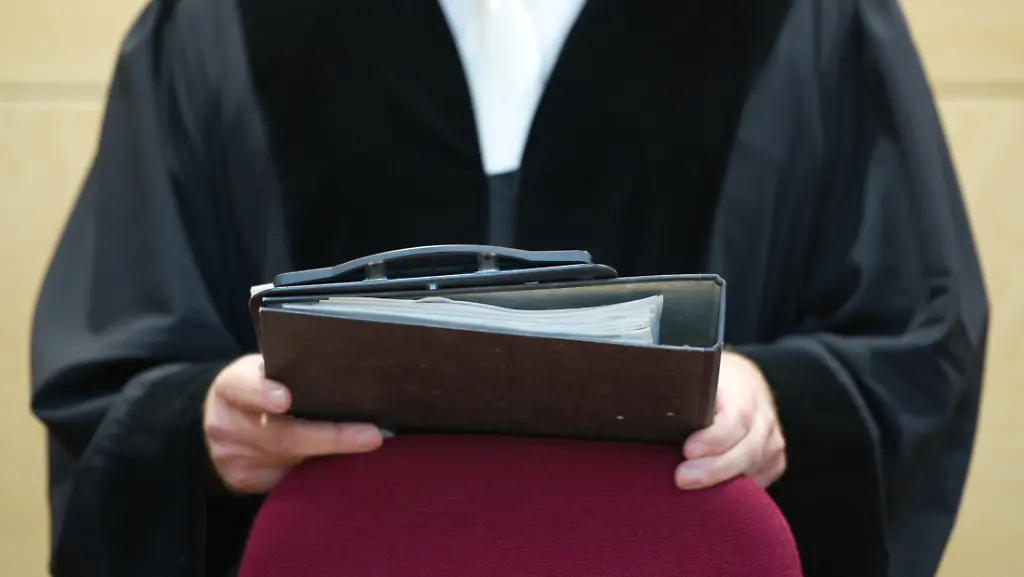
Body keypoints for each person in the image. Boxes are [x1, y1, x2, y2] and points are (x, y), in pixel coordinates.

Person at [29, 0, 988, 576]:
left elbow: (912, 338)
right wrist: (205, 429)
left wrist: (771, 396)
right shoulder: (222, 21)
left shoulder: (808, 18)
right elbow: (118, 367)